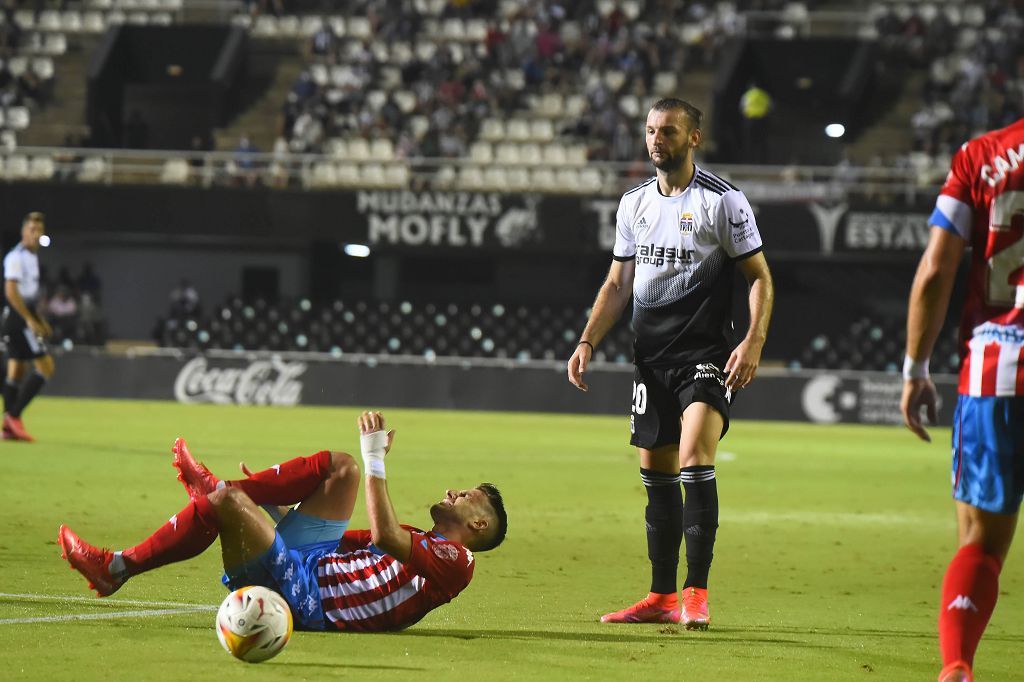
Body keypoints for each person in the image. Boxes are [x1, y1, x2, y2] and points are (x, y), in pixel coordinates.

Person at [567, 98, 774, 629]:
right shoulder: (633, 203)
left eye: (670, 131)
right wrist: (588, 340)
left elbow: (758, 278)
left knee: (693, 457)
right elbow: (618, 283)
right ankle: (660, 596)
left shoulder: (723, 202)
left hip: (705, 357)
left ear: (693, 138)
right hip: (650, 362)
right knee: (655, 475)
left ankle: (696, 593)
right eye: (652, 130)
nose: (658, 139)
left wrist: (752, 341)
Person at [58, 411, 508, 632]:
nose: (453, 492)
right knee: (344, 468)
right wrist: (271, 503)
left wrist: (378, 457)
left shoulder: (459, 563)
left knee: (229, 503)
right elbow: (340, 535)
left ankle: (115, 568)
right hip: (312, 564)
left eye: (466, 496)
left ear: (479, 526)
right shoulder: (419, 540)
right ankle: (221, 492)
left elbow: (383, 535)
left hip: (309, 600)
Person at [900, 117, 1024, 682]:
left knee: (980, 543)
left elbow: (935, 270)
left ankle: (957, 666)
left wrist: (915, 368)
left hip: (996, 370)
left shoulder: (982, 156)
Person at [2, 212, 55, 442]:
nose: (35, 234)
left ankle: (7, 426)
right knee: (46, 367)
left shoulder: (31, 257)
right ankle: (14, 416)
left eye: (39, 230)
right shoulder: (17, 257)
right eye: (31, 229)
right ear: (24, 231)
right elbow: (11, 291)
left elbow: (29, 296)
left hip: (19, 317)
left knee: (16, 371)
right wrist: (30, 319)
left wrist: (39, 318)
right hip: (19, 318)